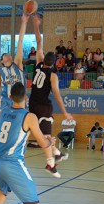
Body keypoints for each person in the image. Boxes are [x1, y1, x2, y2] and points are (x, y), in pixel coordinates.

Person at [29, 14, 73, 177]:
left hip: (32, 104)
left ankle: (56, 154)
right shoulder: (53, 76)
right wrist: (65, 112)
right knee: (46, 136)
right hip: (44, 107)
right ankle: (50, 163)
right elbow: (58, 96)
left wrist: (36, 25)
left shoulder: (38, 64)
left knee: (44, 136)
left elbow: (39, 42)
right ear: (54, 63)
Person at [0, 14, 27, 110]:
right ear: (2, 60)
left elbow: (20, 41)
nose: (9, 54)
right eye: (6, 54)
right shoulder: (1, 71)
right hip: (5, 99)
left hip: (19, 99)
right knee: (2, 120)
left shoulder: (17, 63)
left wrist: (24, 22)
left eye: (10, 54)